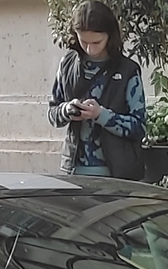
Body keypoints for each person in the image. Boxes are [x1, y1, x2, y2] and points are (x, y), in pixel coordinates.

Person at [46, 1, 146, 180]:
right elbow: (52, 113)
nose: (90, 49)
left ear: (110, 35)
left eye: (96, 42)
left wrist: (101, 115)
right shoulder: (67, 64)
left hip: (117, 173)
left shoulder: (127, 70)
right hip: (75, 171)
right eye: (83, 41)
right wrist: (66, 110)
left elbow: (139, 126)